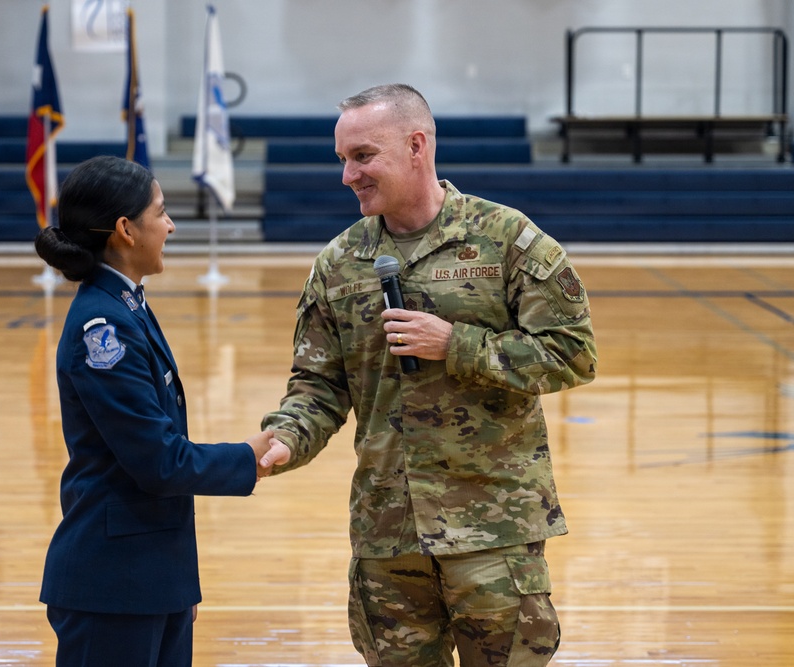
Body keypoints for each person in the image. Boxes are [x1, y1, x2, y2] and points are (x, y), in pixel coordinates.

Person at [257, 84, 597, 666]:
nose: (348, 175)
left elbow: (572, 353)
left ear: (416, 146)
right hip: (387, 536)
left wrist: (456, 344)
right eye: (342, 159)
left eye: (363, 156)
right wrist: (288, 436)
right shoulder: (339, 263)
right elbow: (317, 384)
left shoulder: (506, 239)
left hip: (492, 529)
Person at [35, 155, 274, 667]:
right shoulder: (103, 327)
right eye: (161, 212)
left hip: (149, 579)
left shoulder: (127, 306)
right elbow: (158, 462)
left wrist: (175, 582)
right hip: (111, 588)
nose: (169, 225)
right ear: (125, 229)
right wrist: (245, 458)